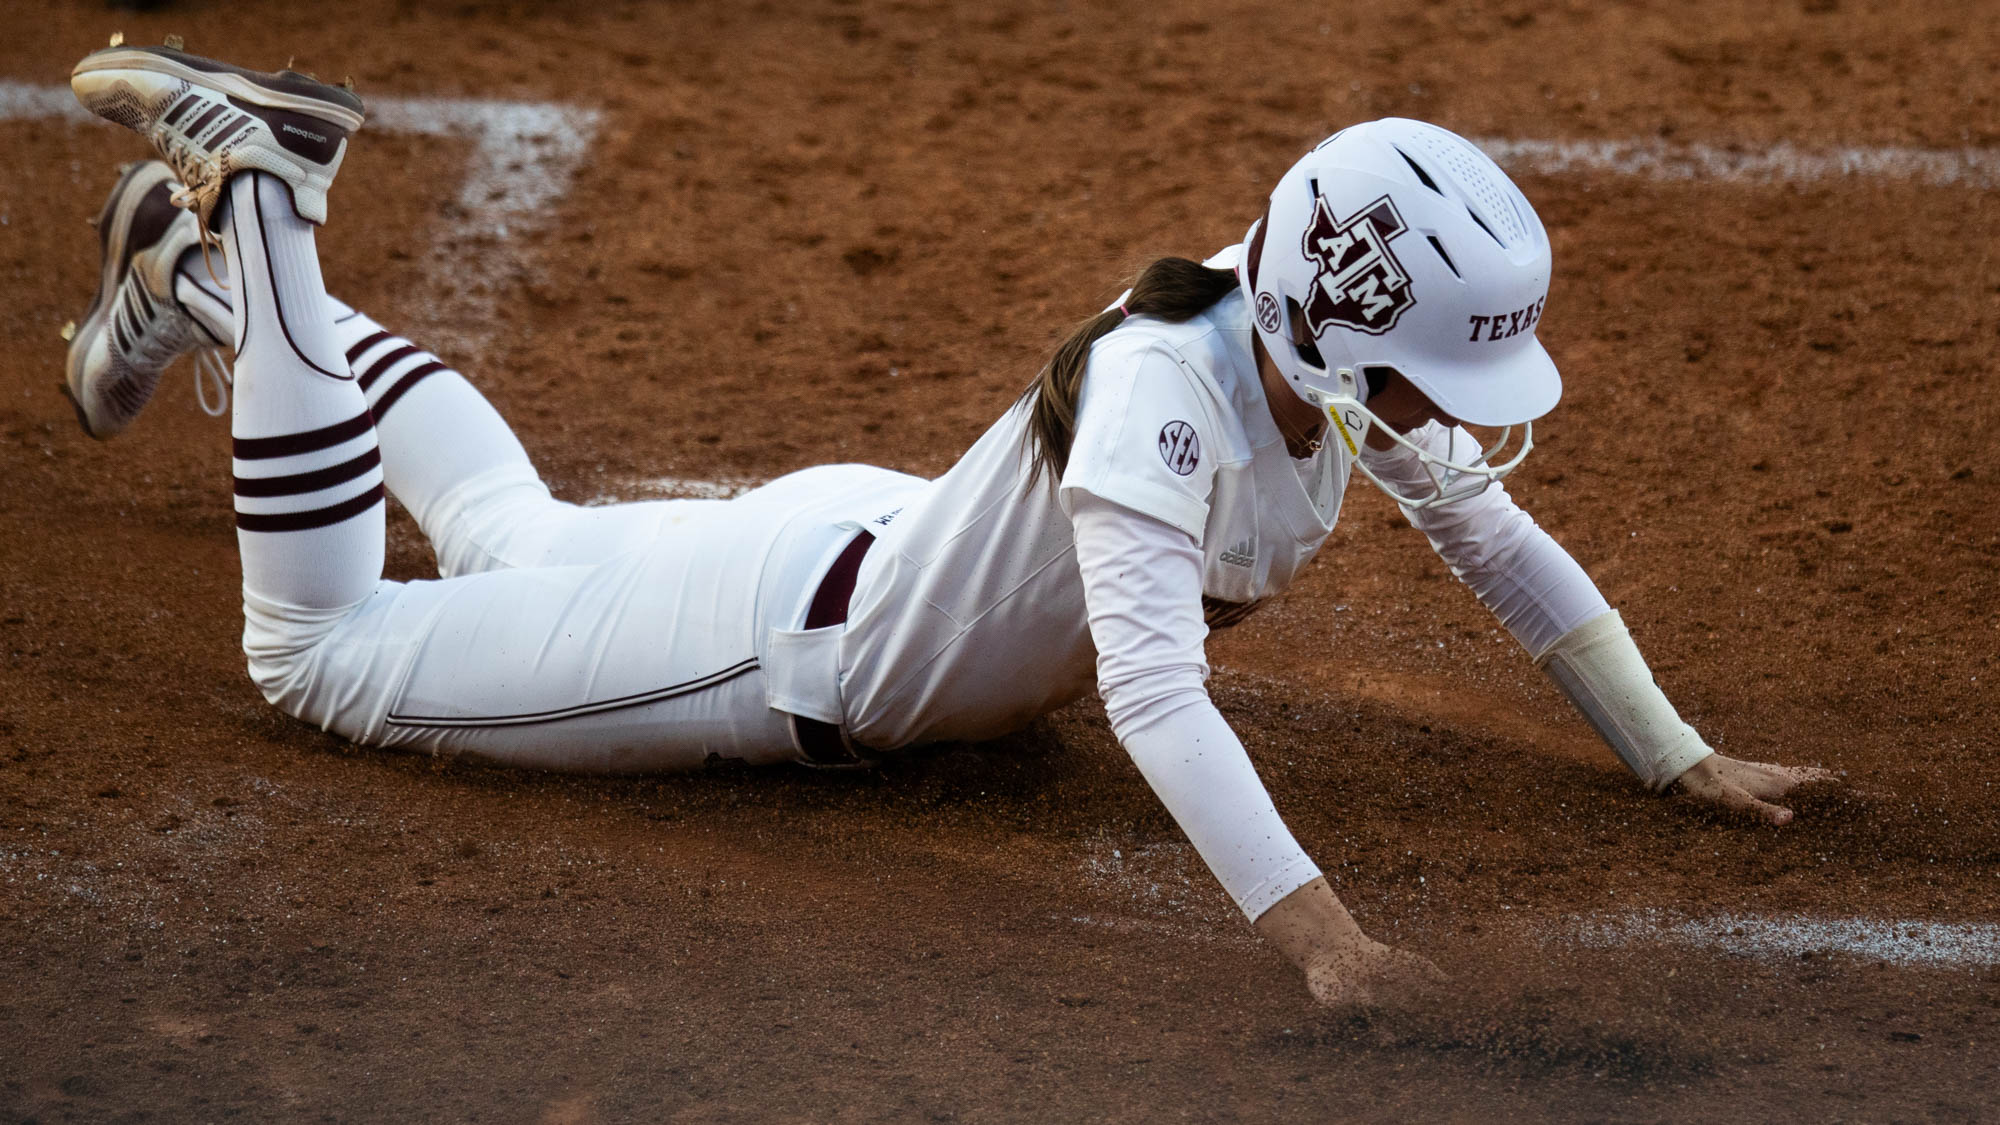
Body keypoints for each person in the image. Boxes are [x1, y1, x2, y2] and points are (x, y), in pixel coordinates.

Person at [63, 43, 1833, 1007]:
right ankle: (274, 224)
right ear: (1337, 321)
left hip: (843, 554)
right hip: (767, 651)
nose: (1454, 418)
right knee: (319, 647)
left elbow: (1491, 540)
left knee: (513, 533)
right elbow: (1156, 697)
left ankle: (206, 287)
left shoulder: (1303, 333)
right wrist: (1330, 941)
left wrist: (1675, 755)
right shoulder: (1167, 392)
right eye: (1442, 376)